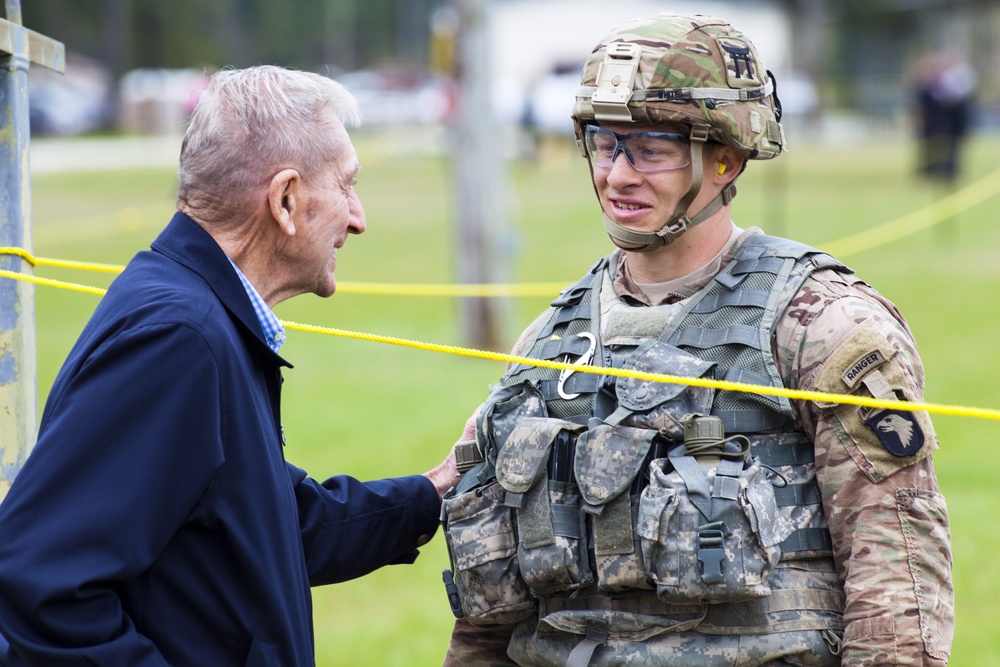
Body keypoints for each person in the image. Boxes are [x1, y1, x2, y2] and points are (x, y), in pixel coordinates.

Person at [440, 13, 953, 667]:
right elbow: (489, 613)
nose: (618, 176)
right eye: (604, 144)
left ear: (725, 158)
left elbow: (898, 581)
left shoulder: (821, 326)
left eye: (650, 149)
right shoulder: (550, 341)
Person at [0, 65, 458, 666]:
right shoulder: (178, 339)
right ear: (286, 199)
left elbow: (262, 527)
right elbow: (42, 582)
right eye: (346, 185)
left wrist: (432, 492)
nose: (358, 217)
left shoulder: (199, 312)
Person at [914, 50, 975, 184]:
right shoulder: (927, 83)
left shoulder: (953, 81)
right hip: (933, 123)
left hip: (950, 123)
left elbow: (956, 102)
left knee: (951, 147)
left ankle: (949, 170)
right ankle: (930, 171)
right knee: (930, 148)